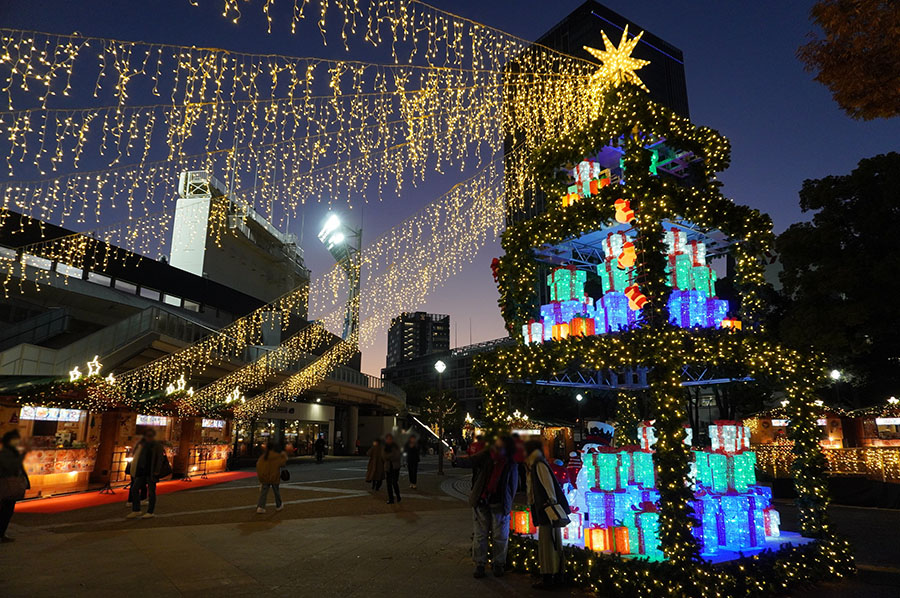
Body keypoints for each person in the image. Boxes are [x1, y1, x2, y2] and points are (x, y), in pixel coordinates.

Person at [450, 435, 518, 579]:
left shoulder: (511, 462)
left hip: (500, 502)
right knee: (481, 534)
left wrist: (508, 501)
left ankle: (498, 564)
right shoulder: (487, 454)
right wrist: (455, 460)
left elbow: (513, 484)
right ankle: (480, 564)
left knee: (500, 536)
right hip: (482, 500)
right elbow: (471, 461)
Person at [524, 440, 571, 590]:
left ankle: (549, 577)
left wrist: (551, 504)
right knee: (550, 543)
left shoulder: (538, 465)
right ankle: (554, 575)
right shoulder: (536, 464)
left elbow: (549, 487)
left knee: (548, 544)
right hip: (547, 511)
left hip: (548, 512)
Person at [127, 427, 167, 519]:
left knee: (152, 492)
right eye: (146, 436)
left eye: (149, 436)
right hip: (141, 471)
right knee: (134, 489)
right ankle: (136, 509)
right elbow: (136, 455)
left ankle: (150, 511)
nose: (148, 437)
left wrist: (157, 470)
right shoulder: (142, 444)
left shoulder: (157, 445)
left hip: (151, 472)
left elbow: (160, 459)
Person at [0, 430, 29, 542]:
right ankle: (1, 533)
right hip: (7, 486)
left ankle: (2, 533)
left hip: (7, 486)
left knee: (6, 509)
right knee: (6, 510)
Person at [256, 440, 288, 514]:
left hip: (265, 477)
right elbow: (283, 463)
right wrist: (284, 455)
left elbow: (258, 465)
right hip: (274, 476)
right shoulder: (277, 456)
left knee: (264, 493)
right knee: (276, 492)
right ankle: (278, 505)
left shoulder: (263, 457)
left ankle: (261, 507)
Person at [382, 434, 402, 504]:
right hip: (388, 467)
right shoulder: (385, 447)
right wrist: (390, 456)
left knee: (394, 482)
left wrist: (389, 457)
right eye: (387, 439)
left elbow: (396, 456)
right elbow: (384, 456)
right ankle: (391, 499)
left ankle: (398, 495)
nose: (388, 440)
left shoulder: (396, 447)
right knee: (388, 484)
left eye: (390, 439)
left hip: (395, 467)